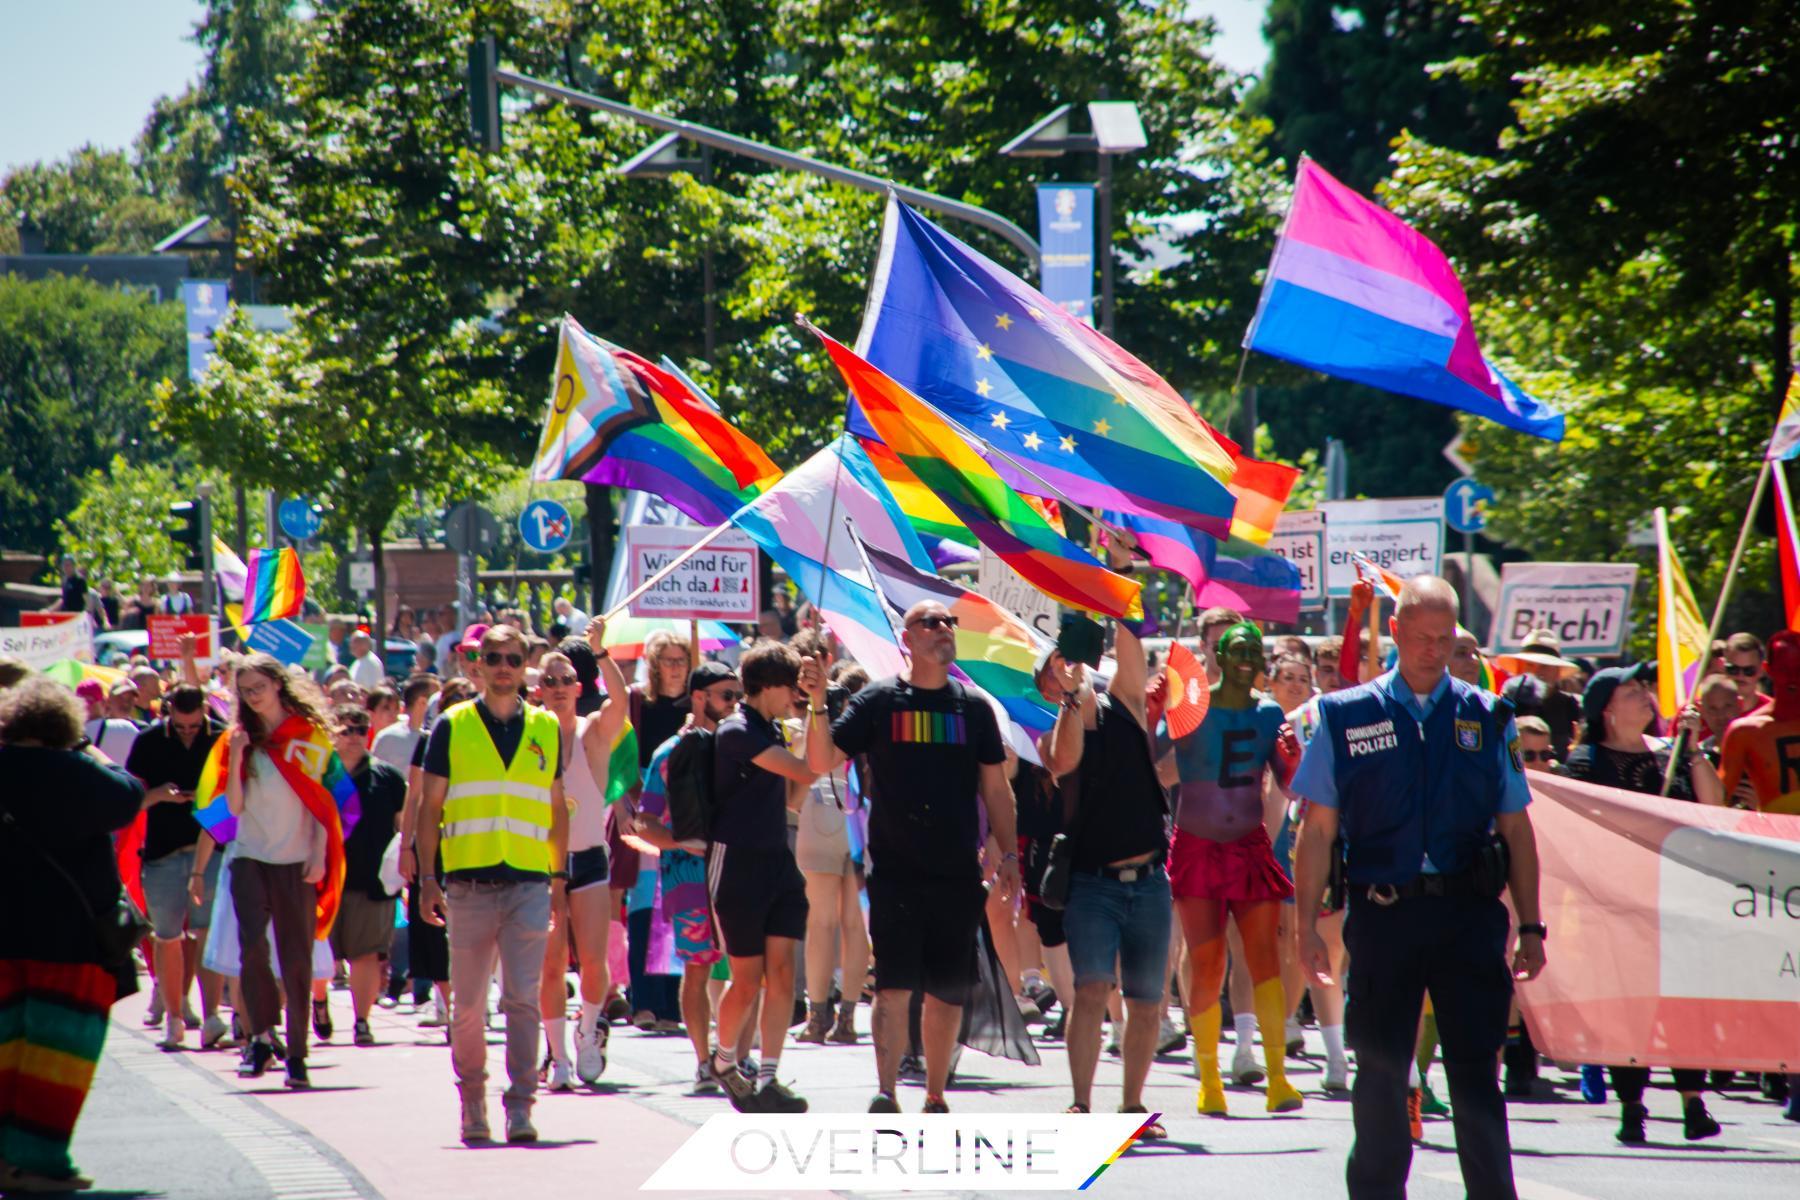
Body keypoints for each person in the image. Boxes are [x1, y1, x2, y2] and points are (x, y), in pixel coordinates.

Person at [1291, 576, 1544, 1200]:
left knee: (1474, 1076)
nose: (1433, 650)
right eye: (1421, 638)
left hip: (1468, 918)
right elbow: (1317, 831)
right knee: (1378, 1078)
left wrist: (1533, 926)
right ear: (1396, 634)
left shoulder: (1489, 716)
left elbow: (1517, 828)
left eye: (1445, 639)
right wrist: (1304, 928)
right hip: (1385, 919)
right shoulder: (1344, 715)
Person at [799, 600, 1021, 1116]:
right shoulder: (878, 701)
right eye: (931, 622)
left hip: (957, 871)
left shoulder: (973, 708)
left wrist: (1009, 852)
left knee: (946, 991)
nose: (943, 629)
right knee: (894, 985)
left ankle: (936, 1094)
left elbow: (996, 788)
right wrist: (815, 701)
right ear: (907, 639)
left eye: (949, 623)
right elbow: (820, 760)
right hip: (895, 870)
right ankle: (886, 1091)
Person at [1556, 661, 1724, 1140]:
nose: (1644, 696)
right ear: (1607, 709)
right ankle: (1633, 1106)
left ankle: (1694, 1101)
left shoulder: (1669, 755)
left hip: (1676, 901)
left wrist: (1692, 752)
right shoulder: (1585, 763)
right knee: (1633, 1008)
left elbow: (1713, 806)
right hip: (1617, 904)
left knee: (1684, 1003)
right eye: (1631, 691)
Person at [415, 625, 569, 1144]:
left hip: (528, 882)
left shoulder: (546, 727)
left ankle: (522, 1105)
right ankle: (472, 1099)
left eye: (512, 657)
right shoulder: (452, 725)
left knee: (523, 1000)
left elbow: (555, 809)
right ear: (477, 663)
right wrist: (428, 879)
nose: (502, 665)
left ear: (526, 665)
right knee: (469, 1005)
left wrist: (558, 879)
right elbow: (429, 808)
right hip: (468, 884)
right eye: (493, 656)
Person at [0, 676, 147, 1194]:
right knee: (56, 1053)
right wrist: (90, 750)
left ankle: (5, 1158)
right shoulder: (76, 771)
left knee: (8, 1047)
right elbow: (129, 795)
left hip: (5, 937)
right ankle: (36, 1161)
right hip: (70, 939)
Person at [1036, 608, 1172, 1131]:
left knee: (1146, 1001)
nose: (1068, 668)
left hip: (1151, 883)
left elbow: (1132, 651)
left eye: (1071, 661)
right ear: (1046, 688)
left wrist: (1119, 585)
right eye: (1056, 668)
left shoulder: (1128, 706)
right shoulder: (1053, 732)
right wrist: (1071, 698)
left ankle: (1134, 1106)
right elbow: (1066, 759)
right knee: (1092, 990)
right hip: (1093, 885)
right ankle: (1081, 1103)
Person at [1164, 621, 1305, 1115]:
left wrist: (1293, 757)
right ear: (1218, 658)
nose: (1248, 659)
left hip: (1250, 846)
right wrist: (1159, 714)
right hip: (1198, 846)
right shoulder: (1190, 707)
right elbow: (1156, 766)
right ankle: (1209, 1082)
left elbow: (1292, 783)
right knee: (1207, 964)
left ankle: (1278, 1080)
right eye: (1238, 650)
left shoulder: (1270, 714)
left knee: (1266, 959)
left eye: (1254, 651)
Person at [223, 654, 354, 1091]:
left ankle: (297, 1053)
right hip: (249, 854)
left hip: (297, 858)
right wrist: (238, 753)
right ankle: (261, 1036)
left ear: (278, 684)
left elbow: (328, 801)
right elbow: (234, 807)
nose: (252, 695)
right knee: (252, 949)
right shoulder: (241, 738)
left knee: (296, 959)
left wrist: (319, 851)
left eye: (258, 685)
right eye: (245, 690)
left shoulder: (308, 736)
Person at [703, 641, 818, 1113]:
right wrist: (816, 711)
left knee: (784, 973)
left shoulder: (770, 729)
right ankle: (726, 1062)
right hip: (737, 864)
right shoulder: (735, 731)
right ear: (769, 686)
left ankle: (769, 1076)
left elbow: (793, 798)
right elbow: (806, 771)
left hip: (776, 861)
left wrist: (812, 715)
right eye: (791, 686)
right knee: (747, 979)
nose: (795, 694)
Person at [629, 662, 746, 1092]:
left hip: (738, 870)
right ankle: (703, 1062)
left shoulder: (740, 745)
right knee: (697, 969)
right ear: (699, 697)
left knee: (749, 968)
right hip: (689, 876)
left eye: (738, 695)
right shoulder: (669, 753)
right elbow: (645, 822)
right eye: (726, 695)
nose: (735, 704)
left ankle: (734, 1056)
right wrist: (682, 843)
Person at [538, 630, 629, 1089]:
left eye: (566, 679)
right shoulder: (529, 733)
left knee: (594, 963)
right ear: (538, 689)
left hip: (590, 858)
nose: (557, 686)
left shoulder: (593, 731)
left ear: (578, 686)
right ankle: (557, 1059)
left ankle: (588, 1030)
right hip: (542, 865)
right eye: (549, 679)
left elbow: (622, 701)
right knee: (550, 966)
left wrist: (599, 650)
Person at [123, 684, 228, 1051]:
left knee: (207, 934)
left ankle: (212, 1015)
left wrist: (203, 802)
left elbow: (232, 797)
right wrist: (160, 796)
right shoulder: (148, 740)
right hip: (162, 853)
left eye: (195, 726)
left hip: (212, 850)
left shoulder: (220, 736)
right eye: (181, 726)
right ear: (168, 713)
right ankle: (174, 1017)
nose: (188, 732)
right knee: (167, 938)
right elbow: (131, 800)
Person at [794, 660, 872, 1047]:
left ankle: (818, 1016)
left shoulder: (822, 718)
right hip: (862, 818)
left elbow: (806, 763)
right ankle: (845, 1018)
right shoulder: (878, 714)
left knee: (822, 924)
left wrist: (816, 706)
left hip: (825, 812)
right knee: (854, 924)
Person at [326, 703, 405, 1047]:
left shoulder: (387, 777)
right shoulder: (319, 775)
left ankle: (362, 1020)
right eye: (346, 730)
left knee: (366, 954)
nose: (355, 737)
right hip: (324, 880)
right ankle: (317, 1004)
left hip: (372, 883)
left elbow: (403, 829)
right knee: (322, 956)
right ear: (332, 734)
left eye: (361, 730)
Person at [1719, 630, 1800, 816]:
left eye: (1799, 669)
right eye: (1784, 670)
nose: (1793, 678)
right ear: (1768, 669)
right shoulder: (1746, 731)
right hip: (1777, 840)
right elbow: (1716, 800)